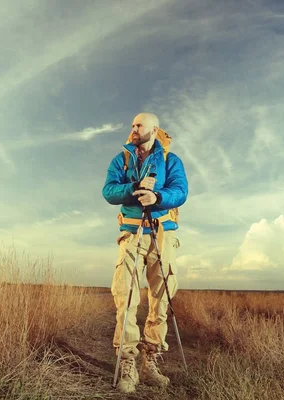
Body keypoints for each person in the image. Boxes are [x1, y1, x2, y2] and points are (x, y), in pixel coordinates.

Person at [102, 112, 189, 393]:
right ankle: (127, 362)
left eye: (139, 124)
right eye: (132, 125)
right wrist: (135, 187)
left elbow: (181, 191)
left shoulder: (169, 160)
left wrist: (157, 197)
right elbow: (109, 191)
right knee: (125, 293)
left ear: (154, 128)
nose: (133, 128)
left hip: (162, 234)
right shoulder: (122, 159)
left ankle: (150, 361)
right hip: (131, 233)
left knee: (161, 298)